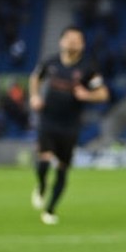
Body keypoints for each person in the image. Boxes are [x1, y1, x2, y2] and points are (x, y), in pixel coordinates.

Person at [29, 26, 109, 224]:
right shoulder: (51, 63)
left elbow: (103, 94)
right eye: (69, 39)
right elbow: (35, 78)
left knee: (63, 168)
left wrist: (87, 95)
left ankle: (50, 210)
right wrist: (34, 96)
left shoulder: (88, 68)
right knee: (44, 159)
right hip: (48, 120)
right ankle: (41, 186)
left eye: (77, 40)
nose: (72, 43)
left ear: (82, 45)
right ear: (61, 41)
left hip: (70, 125)